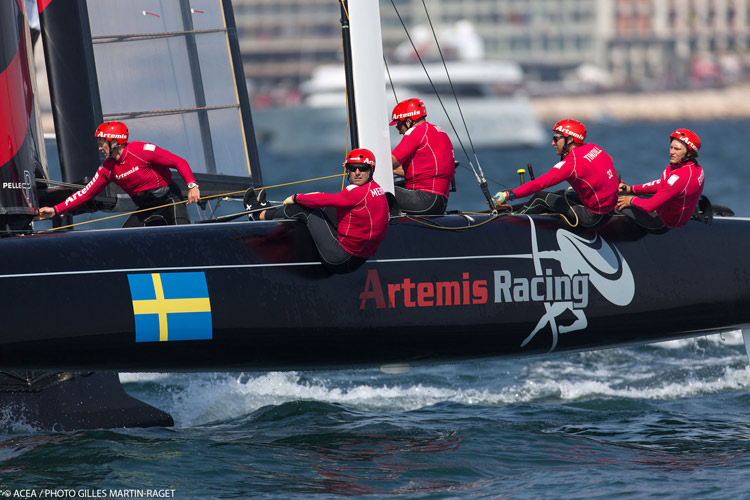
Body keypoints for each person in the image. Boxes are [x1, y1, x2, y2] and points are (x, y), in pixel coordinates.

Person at [247, 148, 390, 274]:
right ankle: (271, 212)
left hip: (341, 260)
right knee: (325, 207)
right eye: (353, 168)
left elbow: (323, 199)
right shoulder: (376, 189)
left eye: (362, 168)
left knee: (304, 210)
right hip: (359, 258)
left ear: (371, 170)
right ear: (348, 169)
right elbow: (332, 201)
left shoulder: (357, 193)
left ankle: (259, 214)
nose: (357, 172)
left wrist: (296, 197)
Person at [37, 121, 200, 227]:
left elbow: (179, 162)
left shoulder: (140, 151)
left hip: (170, 201)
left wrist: (192, 186)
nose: (100, 148)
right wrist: (55, 210)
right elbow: (85, 193)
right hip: (146, 208)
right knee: (124, 239)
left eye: (102, 144)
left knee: (183, 235)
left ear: (115, 142)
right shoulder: (107, 169)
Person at [492, 119, 618, 229]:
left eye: (556, 139)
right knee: (559, 194)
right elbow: (609, 161)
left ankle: (511, 223)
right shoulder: (593, 147)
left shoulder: (571, 163)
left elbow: (539, 184)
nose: (553, 143)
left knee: (541, 197)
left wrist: (509, 195)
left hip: (593, 219)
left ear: (570, 139)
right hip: (609, 211)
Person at [617, 128, 704, 232]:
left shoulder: (682, 177)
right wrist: (630, 189)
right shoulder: (687, 166)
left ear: (689, 153)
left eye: (677, 149)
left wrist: (630, 200)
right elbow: (662, 184)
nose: (672, 152)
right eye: (671, 147)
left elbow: (649, 206)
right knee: (625, 196)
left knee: (614, 201)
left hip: (661, 223)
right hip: (664, 210)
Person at [390, 98, 455, 215]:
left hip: (424, 200)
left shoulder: (416, 131)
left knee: (377, 190)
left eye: (399, 126)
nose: (400, 131)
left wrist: (365, 163)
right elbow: (423, 172)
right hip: (440, 203)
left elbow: (390, 162)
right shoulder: (440, 131)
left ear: (409, 121)